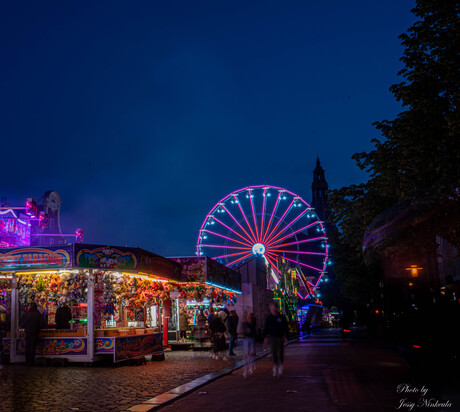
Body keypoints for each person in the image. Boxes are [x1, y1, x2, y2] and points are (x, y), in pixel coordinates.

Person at [264, 302, 288, 378]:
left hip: (280, 337)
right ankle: (275, 366)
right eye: (272, 308)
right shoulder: (269, 318)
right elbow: (266, 328)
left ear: (277, 308)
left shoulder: (281, 317)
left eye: (274, 307)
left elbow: (285, 327)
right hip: (272, 337)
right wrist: (265, 337)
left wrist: (285, 336)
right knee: (274, 352)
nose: (273, 309)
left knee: (280, 351)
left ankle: (280, 365)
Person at [242, 312, 256, 378]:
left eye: (250, 316)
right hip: (246, 339)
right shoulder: (245, 324)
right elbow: (243, 330)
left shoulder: (253, 323)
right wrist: (246, 331)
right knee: (246, 354)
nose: (249, 317)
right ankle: (246, 370)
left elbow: (254, 331)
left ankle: (250, 367)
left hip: (251, 338)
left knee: (251, 353)